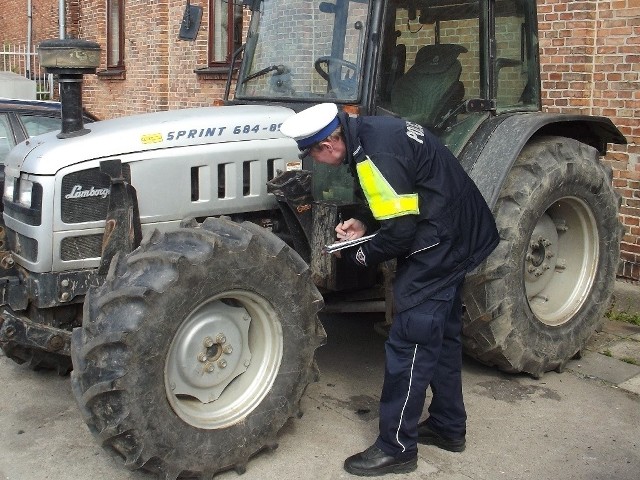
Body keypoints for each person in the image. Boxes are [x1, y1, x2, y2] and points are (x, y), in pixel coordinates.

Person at [280, 103, 499, 477]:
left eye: (313, 153)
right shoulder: (369, 134)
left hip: (442, 241)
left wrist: (362, 255)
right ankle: (448, 426)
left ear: (327, 145)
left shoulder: (376, 151)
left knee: (410, 340)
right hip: (456, 229)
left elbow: (400, 232)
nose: (316, 161)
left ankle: (396, 447)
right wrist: (363, 222)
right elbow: (396, 195)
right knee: (442, 334)